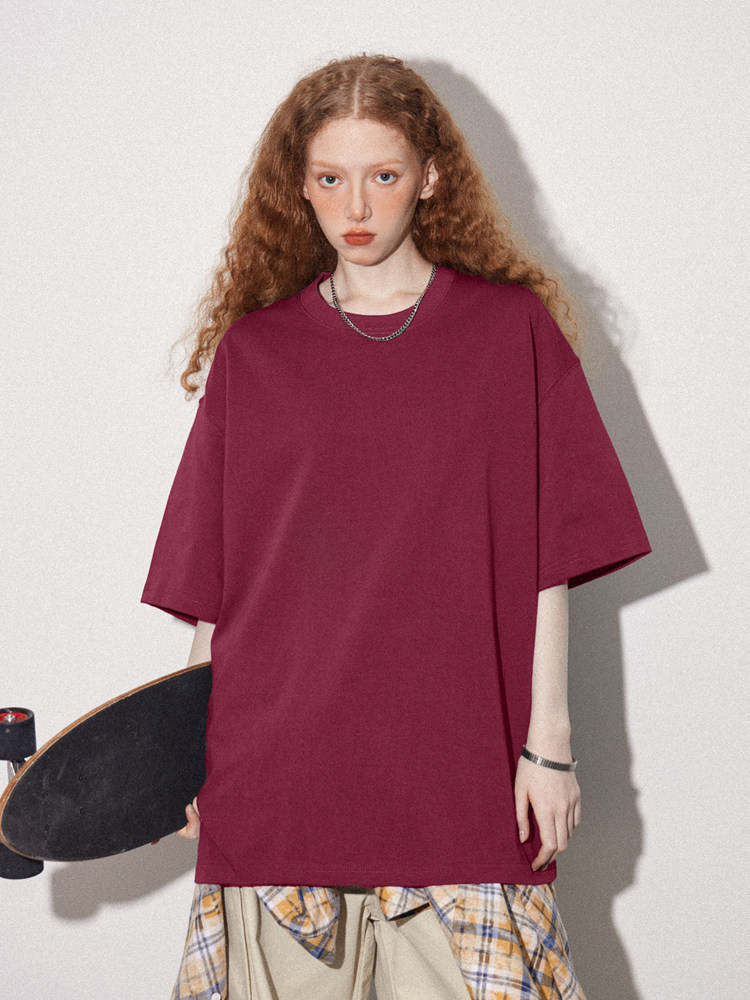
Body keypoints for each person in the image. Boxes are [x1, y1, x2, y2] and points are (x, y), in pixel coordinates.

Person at [140, 53, 651, 1000]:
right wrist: (185, 755)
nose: (357, 205)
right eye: (330, 178)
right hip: (277, 768)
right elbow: (216, 582)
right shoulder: (255, 352)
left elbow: (550, 557)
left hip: (460, 764)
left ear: (431, 176)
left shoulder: (508, 333)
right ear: (300, 186)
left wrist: (549, 745)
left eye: (383, 174)